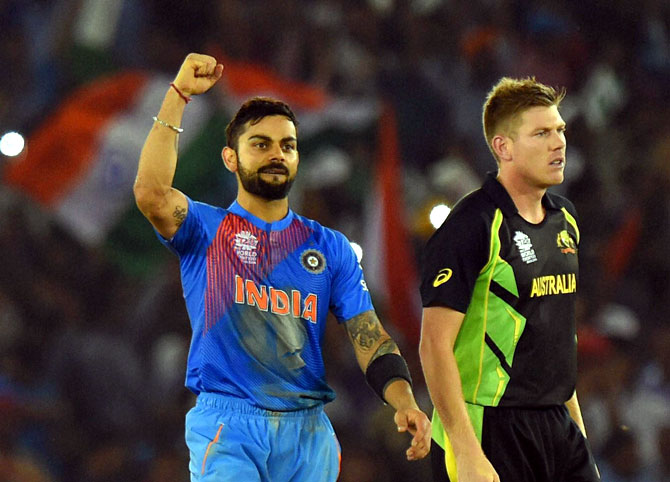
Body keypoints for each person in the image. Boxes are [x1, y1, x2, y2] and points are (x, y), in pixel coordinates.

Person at [133, 53, 431, 482]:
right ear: (231, 159)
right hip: (230, 423)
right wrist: (178, 96)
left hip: (309, 434)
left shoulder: (330, 249)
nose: (277, 154)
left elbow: (369, 336)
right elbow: (151, 193)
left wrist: (404, 401)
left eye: (287, 145)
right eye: (261, 144)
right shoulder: (207, 229)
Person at [419, 77, 600, 482]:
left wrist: (578, 437)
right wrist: (465, 452)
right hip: (488, 427)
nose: (559, 143)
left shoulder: (565, 220)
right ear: (503, 147)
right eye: (541, 133)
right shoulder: (471, 226)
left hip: (557, 426)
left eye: (560, 130)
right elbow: (433, 346)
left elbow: (556, 336)